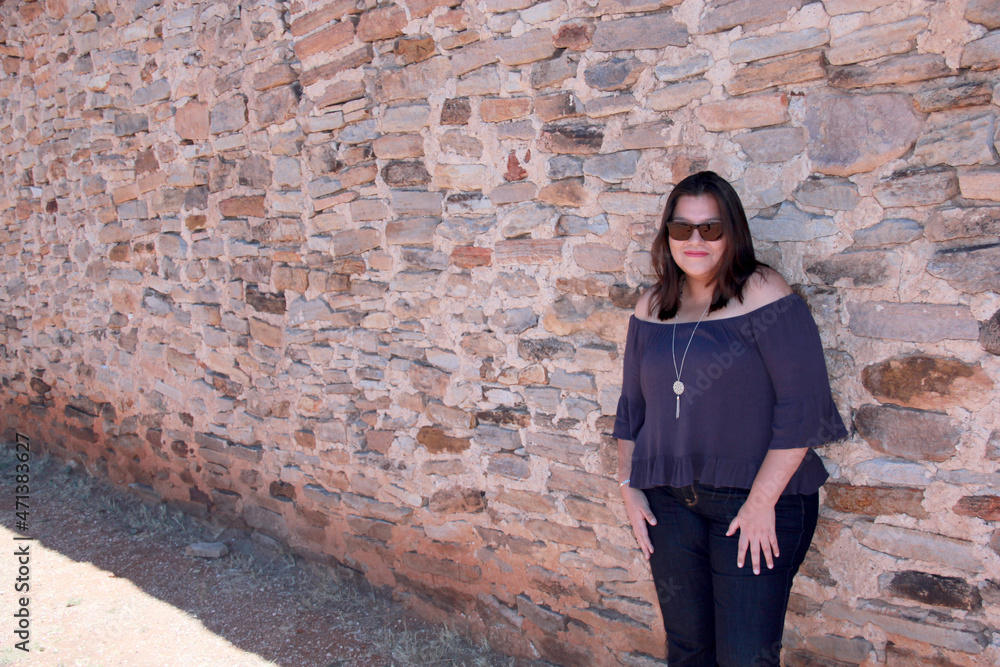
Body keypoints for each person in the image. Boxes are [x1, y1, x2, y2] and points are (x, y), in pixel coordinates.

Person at [613, 171, 848, 666]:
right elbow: (633, 409)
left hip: (757, 504)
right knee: (689, 650)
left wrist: (762, 504)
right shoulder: (651, 307)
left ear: (732, 233)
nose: (695, 240)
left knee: (745, 658)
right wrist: (629, 485)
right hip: (670, 503)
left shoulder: (763, 292)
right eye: (682, 229)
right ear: (667, 235)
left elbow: (802, 407)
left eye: (711, 229)